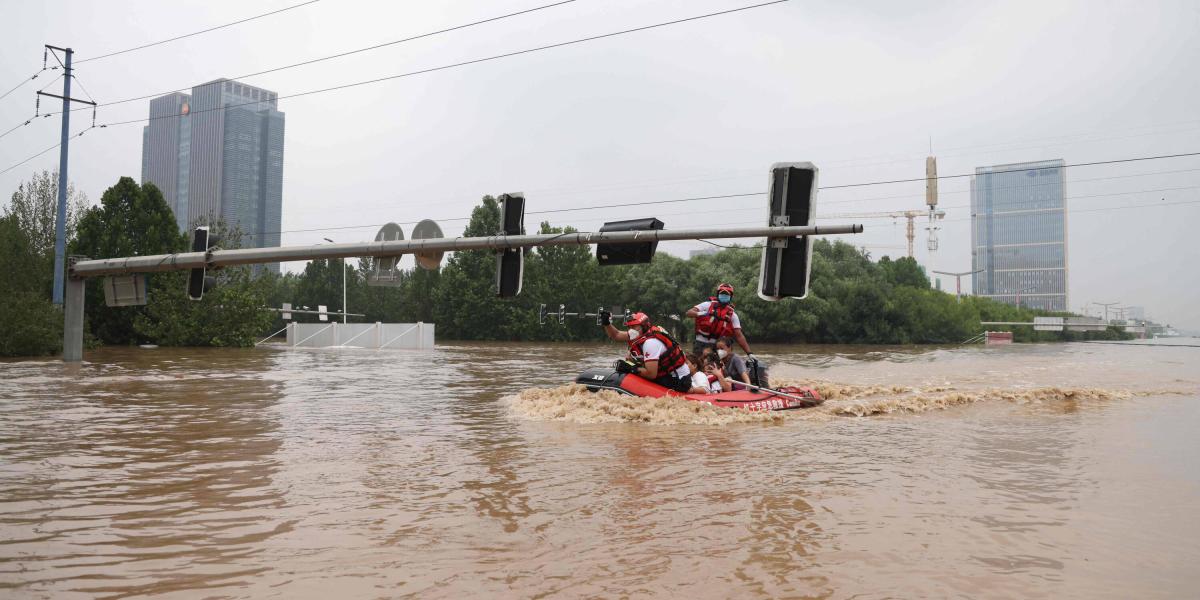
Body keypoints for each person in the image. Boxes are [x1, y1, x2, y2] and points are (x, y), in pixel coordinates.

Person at [599, 310, 692, 393]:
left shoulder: (650, 342)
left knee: (631, 370)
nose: (631, 330)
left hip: (678, 380)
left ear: (644, 326)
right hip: (668, 374)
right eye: (629, 327)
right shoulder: (639, 333)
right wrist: (607, 323)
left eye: (634, 327)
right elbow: (616, 335)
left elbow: (651, 374)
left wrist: (631, 369)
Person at [686, 283, 756, 363]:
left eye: (727, 295)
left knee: (713, 366)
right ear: (718, 294)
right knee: (698, 365)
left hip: (716, 346)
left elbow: (739, 336)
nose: (724, 296)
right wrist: (703, 313)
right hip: (700, 343)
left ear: (730, 297)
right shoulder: (707, 305)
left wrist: (749, 353)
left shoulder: (732, 315)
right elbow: (689, 313)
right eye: (722, 294)